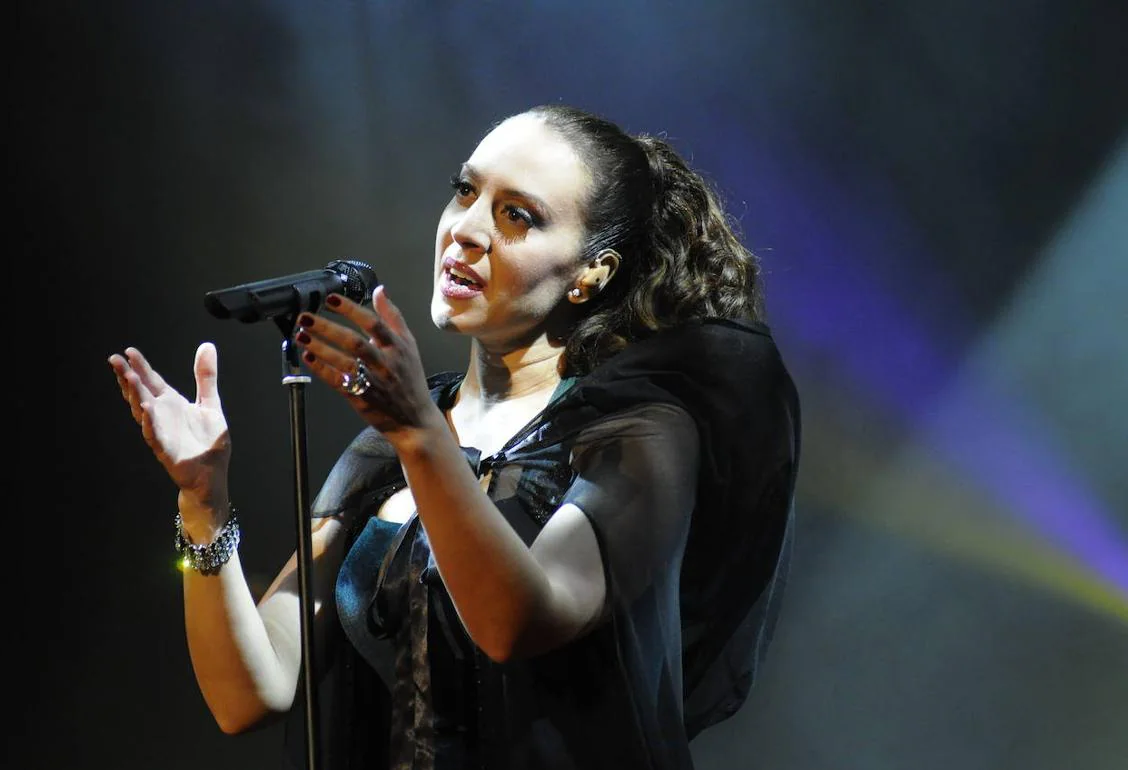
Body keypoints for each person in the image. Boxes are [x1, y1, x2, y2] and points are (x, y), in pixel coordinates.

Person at [109, 104, 800, 770]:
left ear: (594, 272)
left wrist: (419, 436)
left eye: (516, 215)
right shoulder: (388, 447)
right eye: (465, 193)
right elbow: (249, 693)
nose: (465, 230)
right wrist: (204, 501)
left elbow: (519, 622)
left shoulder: (639, 434)